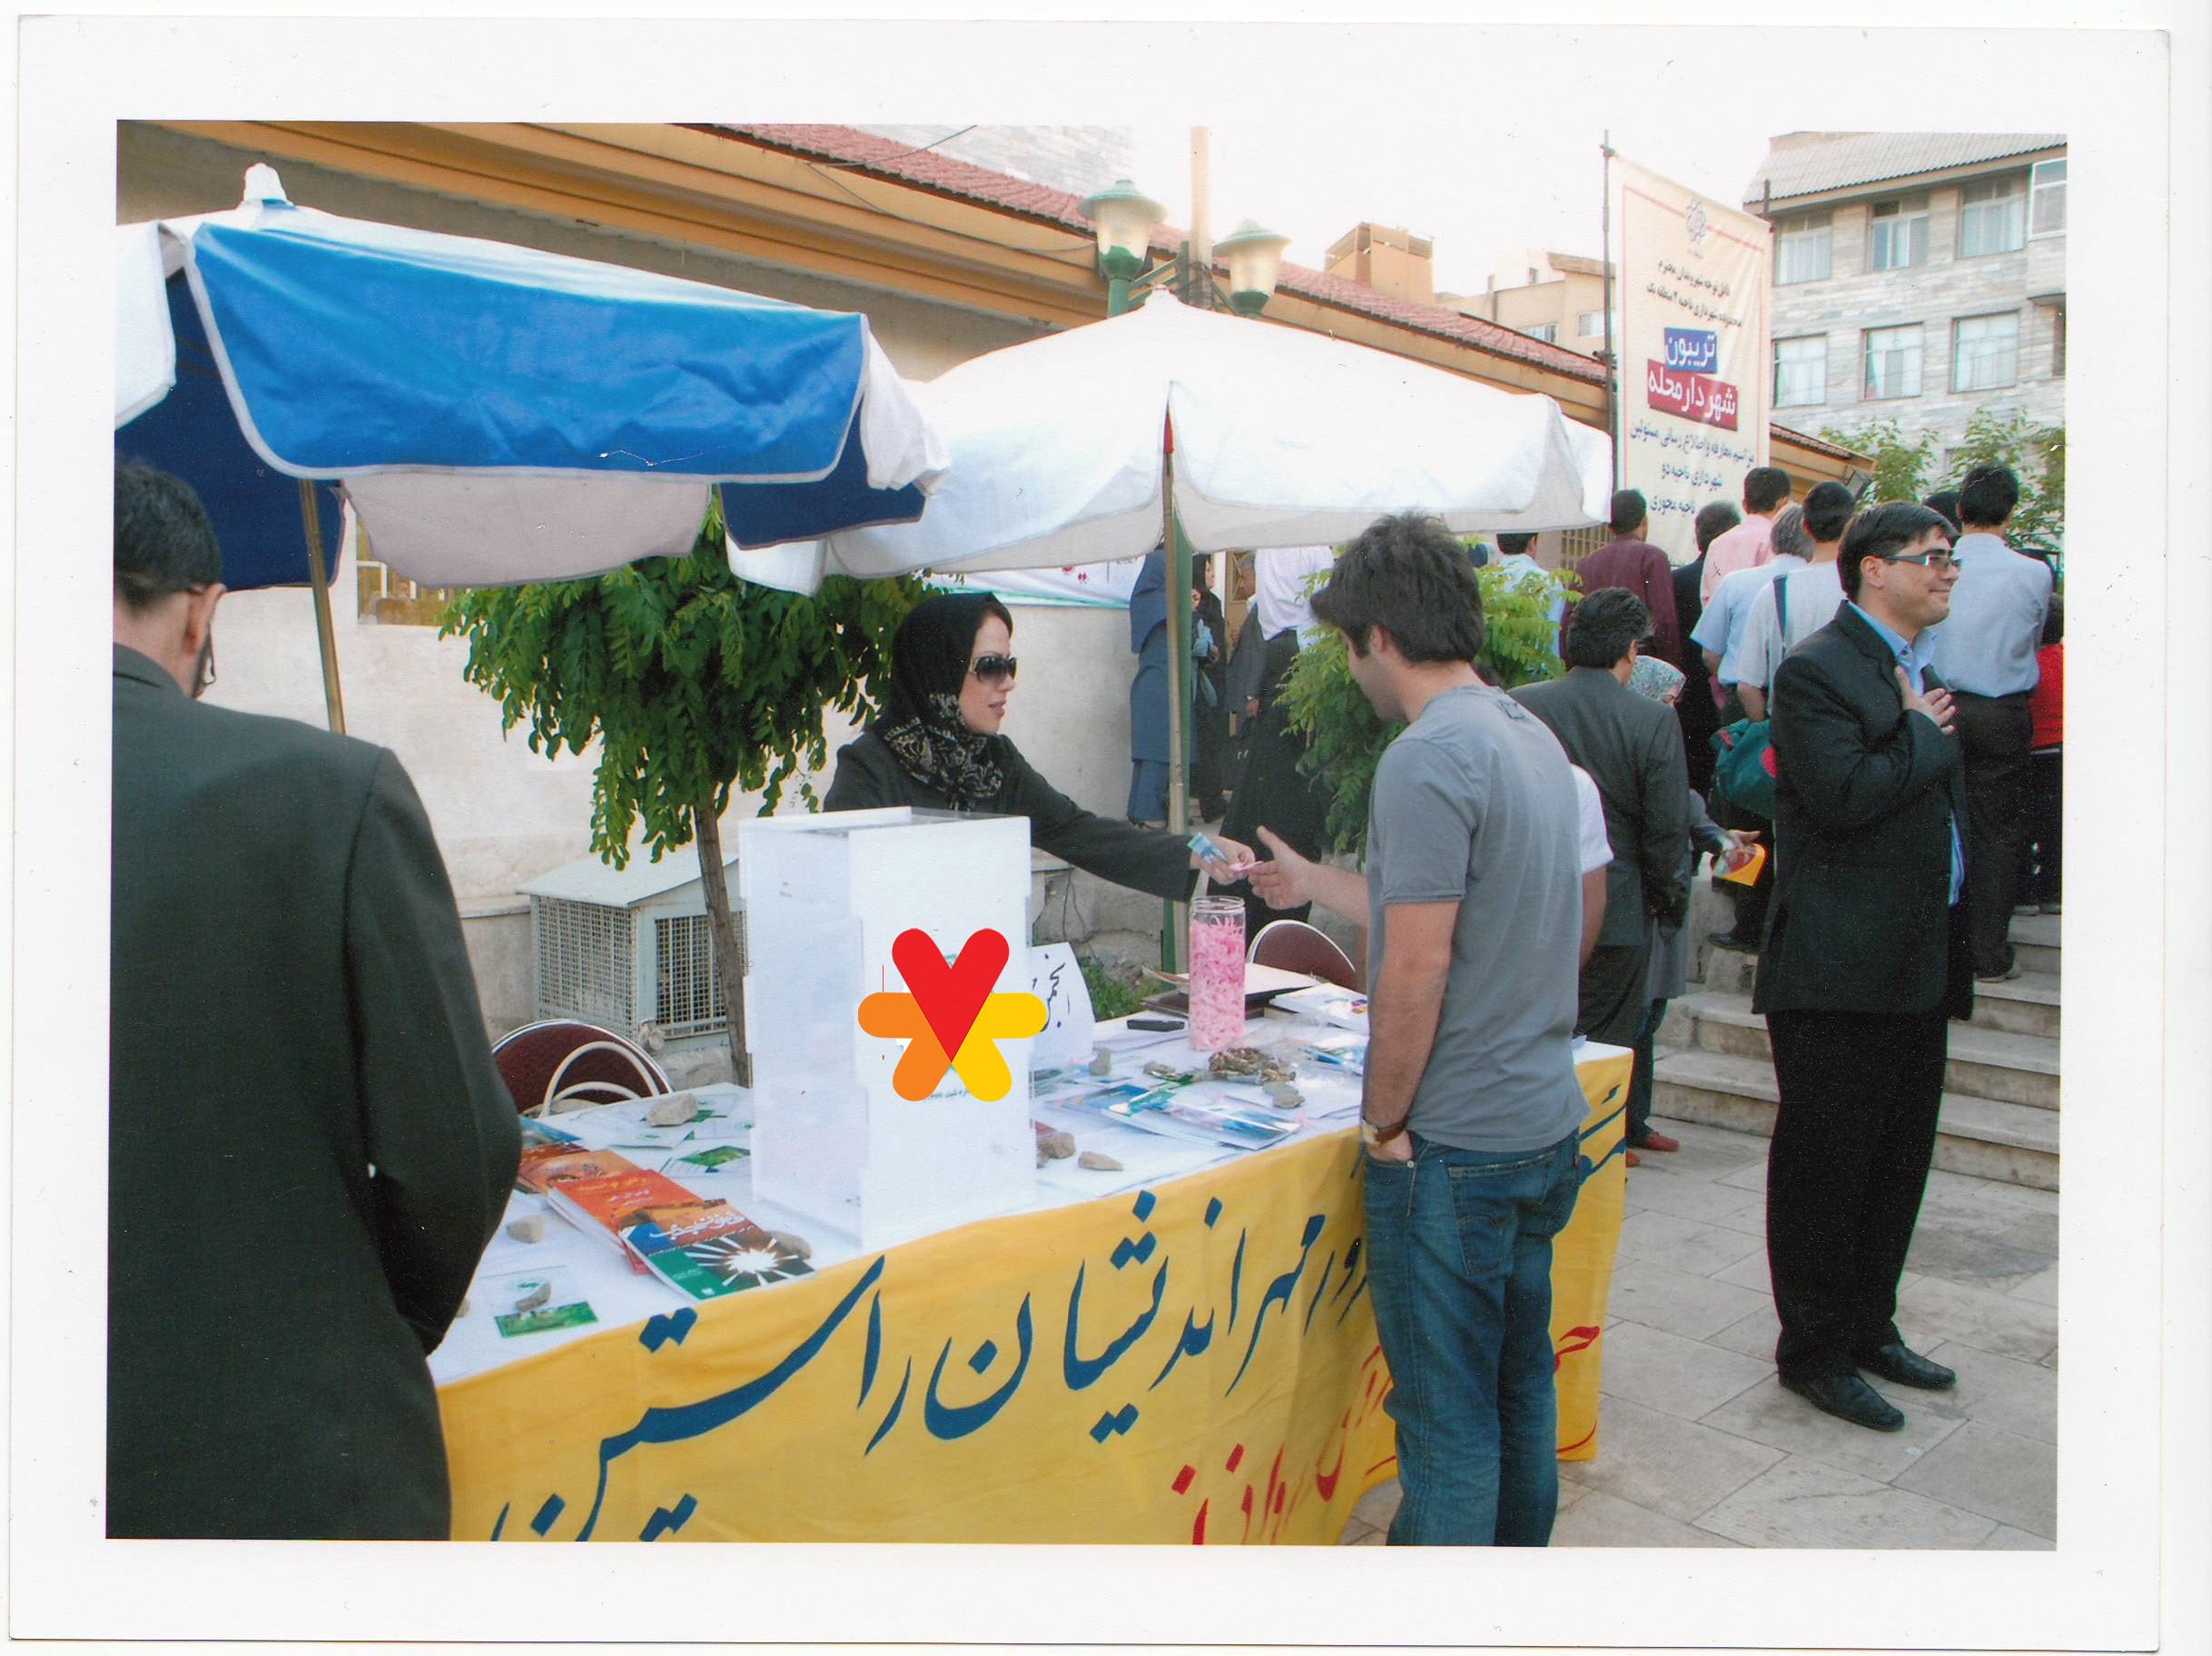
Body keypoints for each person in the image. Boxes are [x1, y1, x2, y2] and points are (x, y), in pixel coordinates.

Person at [109, 460, 521, 1538]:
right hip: (298, 1469)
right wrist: (366, 1325)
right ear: (200, 611)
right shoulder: (329, 791)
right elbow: (460, 1152)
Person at [1244, 512, 1587, 1546]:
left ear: (1379, 638)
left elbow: (1419, 967)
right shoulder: (1529, 735)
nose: (1349, 669)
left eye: (1347, 647)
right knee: (1518, 1389)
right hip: (1538, 1122)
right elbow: (1447, 907)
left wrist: (1385, 1122)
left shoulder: (1427, 756)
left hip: (1459, 1148)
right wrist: (1309, 885)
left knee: (1443, 1424)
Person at [1756, 500, 1972, 1433]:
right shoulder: (1816, 670)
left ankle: (1868, 1324)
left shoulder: (1913, 669)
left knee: (1896, 1161)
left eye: (1952, 558)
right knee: (1826, 1166)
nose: (1947, 572)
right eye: (1932, 557)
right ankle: (1813, 1349)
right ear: (1874, 568)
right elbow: (1843, 797)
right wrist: (1920, 732)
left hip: (1916, 961)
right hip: (1839, 968)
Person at [825, 591, 1250, 897]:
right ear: (937, 669)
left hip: (977, 976)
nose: (1007, 683)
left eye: (1009, 665)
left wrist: (1197, 849)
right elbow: (842, 895)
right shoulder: (871, 767)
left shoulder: (994, 763)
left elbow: (1079, 832)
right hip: (891, 990)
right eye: (989, 667)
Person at [1512, 589, 1691, 1153]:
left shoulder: (1520, 704)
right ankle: (1592, 1151)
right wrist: (1670, 901)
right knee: (1603, 1044)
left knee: (1532, 1032)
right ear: (1632, 651)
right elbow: (1667, 829)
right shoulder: (1651, 721)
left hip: (1526, 901)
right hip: (1617, 907)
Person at [1619, 654, 1753, 1167]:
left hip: (1665, 903)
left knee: (1650, 1018)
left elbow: (1685, 803)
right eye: (1667, 699)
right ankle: (1618, 1127)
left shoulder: (1659, 738)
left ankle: (1636, 1122)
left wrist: (1719, 837)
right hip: (1639, 897)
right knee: (1630, 1020)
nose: (1673, 709)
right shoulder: (1630, 742)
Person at [1926, 464, 2054, 981]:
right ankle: (1987, 954)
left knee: (1938, 824)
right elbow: (2036, 633)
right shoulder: (2034, 572)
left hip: (1942, 707)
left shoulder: (1938, 567)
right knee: (1999, 832)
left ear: (1959, 511)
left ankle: (1940, 947)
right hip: (2003, 712)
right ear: (2012, 511)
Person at [1693, 502, 1811, 953]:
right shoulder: (1835, 586)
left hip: (1745, 714)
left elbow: (1710, 652)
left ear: (1770, 542)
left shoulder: (1740, 583)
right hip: (1807, 718)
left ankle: (1745, 921)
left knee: (1741, 816)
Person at [1214, 546, 1338, 929]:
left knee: (1271, 780)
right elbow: (1327, 607)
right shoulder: (1314, 548)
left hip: (1278, 654)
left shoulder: (1270, 548)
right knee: (1293, 783)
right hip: (1308, 654)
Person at [1727, 479, 1858, 724]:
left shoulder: (1776, 590)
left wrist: (1767, 734)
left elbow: (1747, 686)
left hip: (1790, 732)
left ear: (1805, 527)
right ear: (1852, 525)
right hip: (1853, 731)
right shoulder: (1865, 589)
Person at [1566, 488, 1681, 666]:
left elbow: (1569, 621)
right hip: (1637, 664)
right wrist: (1671, 667)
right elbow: (1664, 620)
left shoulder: (1585, 564)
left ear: (1609, 527)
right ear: (1644, 521)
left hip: (1592, 667)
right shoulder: (1652, 557)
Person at [1674, 500, 1742, 796]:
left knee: (1691, 778)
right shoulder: (1735, 582)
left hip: (1685, 693)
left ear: (1698, 536)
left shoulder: (1676, 579)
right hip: (1723, 695)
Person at [2020, 597, 2063, 915]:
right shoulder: (2068, 661)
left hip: (2032, 752)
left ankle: (2024, 895)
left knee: (2025, 824)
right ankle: (2054, 892)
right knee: (2056, 828)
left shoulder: (2026, 663)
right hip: (2062, 752)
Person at [1699, 465, 1794, 604]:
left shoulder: (1718, 542)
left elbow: (1706, 596)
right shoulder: (1778, 542)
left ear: (1745, 505)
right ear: (1783, 503)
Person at [1190, 555, 1230, 819]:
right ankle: (1210, 801)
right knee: (1206, 742)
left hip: (1214, 682)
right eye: (1206, 569)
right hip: (1203, 683)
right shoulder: (1198, 604)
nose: (1212, 574)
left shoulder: (1212, 602)